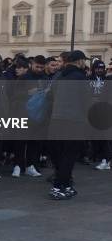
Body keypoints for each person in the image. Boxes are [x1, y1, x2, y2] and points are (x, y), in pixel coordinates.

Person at [48, 50, 88, 200]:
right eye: (84, 60)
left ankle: (65, 184)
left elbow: (51, 95)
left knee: (59, 154)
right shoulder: (80, 77)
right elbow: (86, 101)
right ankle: (59, 186)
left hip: (56, 120)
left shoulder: (59, 76)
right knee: (69, 155)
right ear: (79, 61)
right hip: (74, 121)